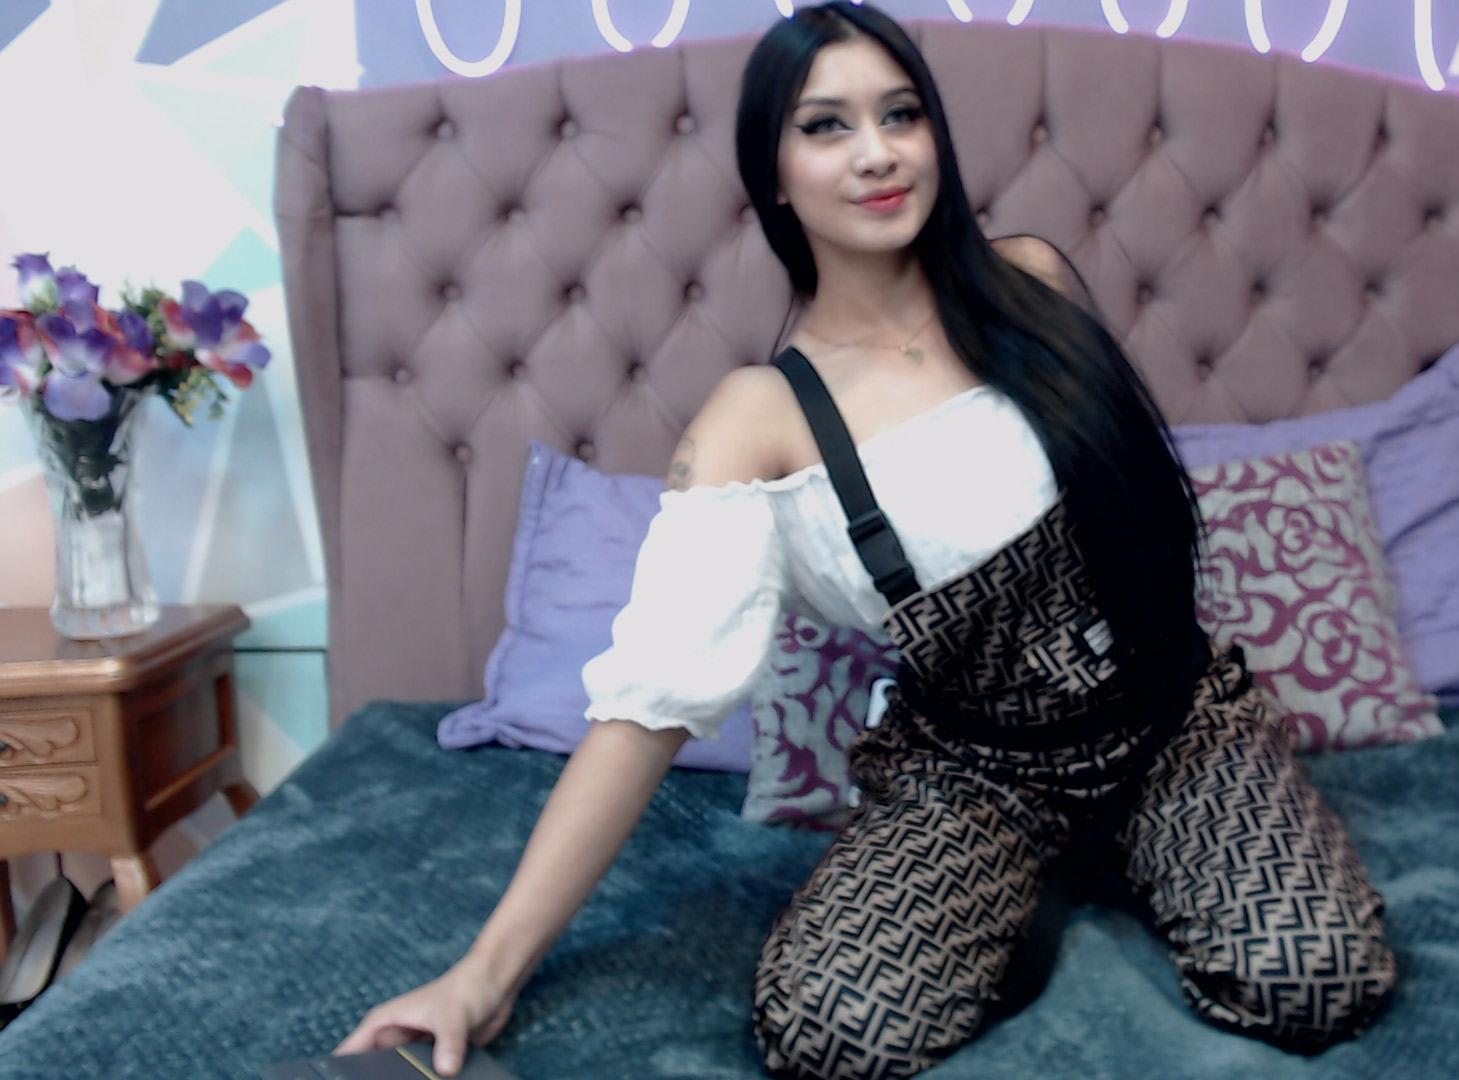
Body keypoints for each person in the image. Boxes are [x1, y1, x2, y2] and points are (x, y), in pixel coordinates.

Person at [336, 4, 1395, 1077]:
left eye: (901, 115)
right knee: (829, 1033)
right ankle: (1027, 879)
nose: (878, 153)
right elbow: (645, 708)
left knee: (1315, 981)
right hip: (979, 772)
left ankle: (1140, 849)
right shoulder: (758, 421)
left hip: (1172, 723)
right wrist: (483, 975)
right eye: (827, 126)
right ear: (773, 176)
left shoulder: (1031, 283)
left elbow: (1137, 520)